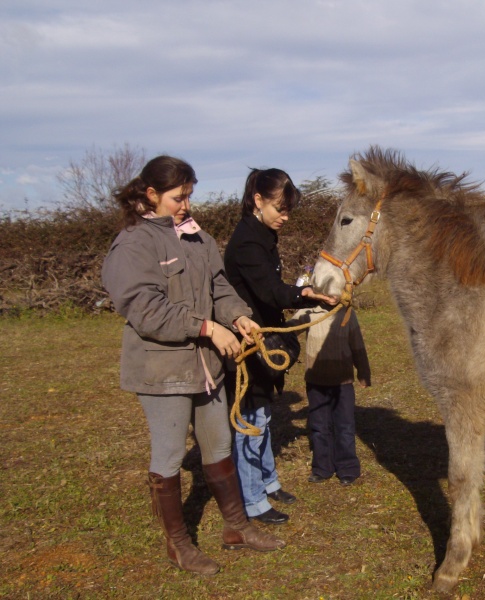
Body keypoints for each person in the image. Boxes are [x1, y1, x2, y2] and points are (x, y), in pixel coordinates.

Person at [102, 156, 284, 576]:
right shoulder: (133, 244)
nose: (185, 205)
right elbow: (145, 309)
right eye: (177, 197)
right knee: (167, 458)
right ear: (151, 195)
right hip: (162, 372)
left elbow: (219, 286)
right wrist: (207, 328)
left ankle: (236, 527)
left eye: (189, 196)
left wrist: (237, 316)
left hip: (207, 369)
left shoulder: (197, 236)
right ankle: (178, 544)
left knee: (219, 447)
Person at [223, 168, 336, 525]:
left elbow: (270, 289)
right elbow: (270, 291)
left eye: (288, 211)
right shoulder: (247, 242)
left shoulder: (262, 235)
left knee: (264, 416)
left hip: (263, 336)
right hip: (248, 340)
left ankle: (267, 482)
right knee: (249, 423)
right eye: (280, 209)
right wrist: (304, 294)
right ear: (258, 201)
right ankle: (252, 499)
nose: (284, 217)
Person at [288, 303, 371, 485]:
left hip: (343, 382)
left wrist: (363, 372)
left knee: (345, 426)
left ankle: (347, 467)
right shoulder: (309, 311)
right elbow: (288, 330)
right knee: (319, 426)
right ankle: (322, 467)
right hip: (316, 382)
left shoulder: (347, 313)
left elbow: (357, 343)